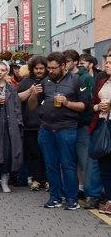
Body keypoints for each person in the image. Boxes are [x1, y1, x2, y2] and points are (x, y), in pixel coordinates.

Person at [28, 51, 89, 210]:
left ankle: (71, 199)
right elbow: (32, 106)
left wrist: (67, 103)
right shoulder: (45, 81)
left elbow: (83, 106)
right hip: (46, 129)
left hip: (66, 129)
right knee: (51, 165)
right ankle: (55, 197)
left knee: (68, 165)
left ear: (63, 66)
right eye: (49, 68)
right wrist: (33, 95)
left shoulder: (76, 81)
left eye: (54, 68)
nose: (50, 71)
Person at [63, 49, 101, 206]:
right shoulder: (64, 78)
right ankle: (78, 189)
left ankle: (91, 193)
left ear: (75, 61)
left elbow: (90, 104)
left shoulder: (86, 78)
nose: (65, 65)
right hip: (67, 126)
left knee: (87, 162)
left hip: (82, 126)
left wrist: (87, 124)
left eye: (67, 61)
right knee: (72, 162)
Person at [17, 56, 48, 191]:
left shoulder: (50, 81)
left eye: (42, 68)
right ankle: (36, 179)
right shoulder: (25, 81)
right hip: (30, 124)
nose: (39, 71)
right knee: (34, 153)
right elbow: (17, 98)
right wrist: (30, 91)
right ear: (32, 69)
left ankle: (47, 179)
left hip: (47, 124)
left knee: (46, 154)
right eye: (36, 68)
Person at [0, 62, 23, 193]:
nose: (0, 72)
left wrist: (18, 123)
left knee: (7, 152)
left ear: (6, 72)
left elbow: (17, 107)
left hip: (8, 124)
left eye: (2, 70)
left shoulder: (11, 88)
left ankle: (4, 180)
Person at [89, 51, 111, 214]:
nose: (107, 65)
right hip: (102, 125)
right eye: (106, 62)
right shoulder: (102, 81)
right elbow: (93, 104)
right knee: (104, 166)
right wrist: (98, 107)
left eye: (110, 62)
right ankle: (109, 201)